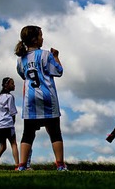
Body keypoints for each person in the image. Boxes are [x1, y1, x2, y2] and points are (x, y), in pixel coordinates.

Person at [14, 25, 67, 171]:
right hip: (47, 97)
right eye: (40, 35)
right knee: (55, 132)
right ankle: (60, 165)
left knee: (28, 134)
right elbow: (59, 71)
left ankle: (22, 165)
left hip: (30, 99)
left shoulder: (20, 60)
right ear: (34, 39)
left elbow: (23, 75)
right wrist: (56, 56)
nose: (42, 38)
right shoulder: (45, 55)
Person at [0, 77, 20, 170]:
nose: (14, 85)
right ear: (6, 85)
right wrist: (12, 123)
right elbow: (13, 112)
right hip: (8, 125)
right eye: (12, 84)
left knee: (2, 146)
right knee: (13, 144)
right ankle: (17, 166)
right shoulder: (9, 97)